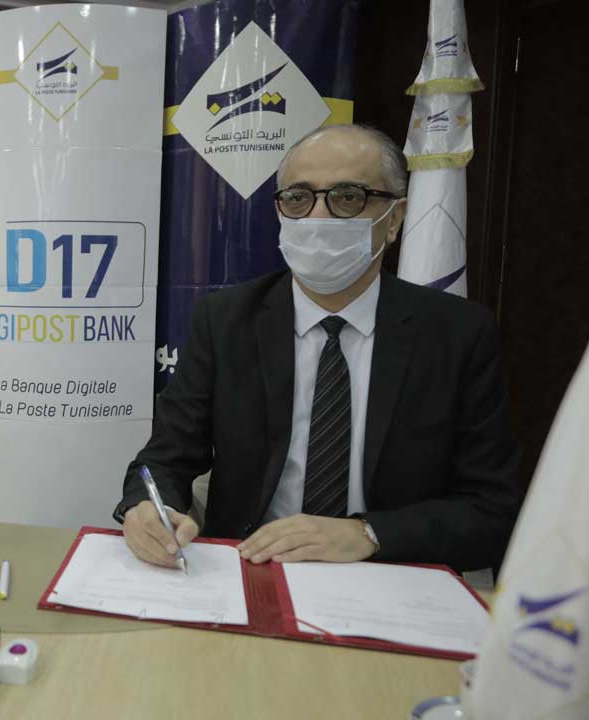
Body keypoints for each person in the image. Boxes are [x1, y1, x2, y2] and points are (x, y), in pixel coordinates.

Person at [117, 124, 522, 572]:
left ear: (394, 219)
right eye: (298, 198)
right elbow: (165, 459)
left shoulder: (458, 334)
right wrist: (147, 508)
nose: (318, 218)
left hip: (388, 573)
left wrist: (368, 533)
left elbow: (491, 511)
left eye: (348, 197)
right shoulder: (226, 320)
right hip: (252, 566)